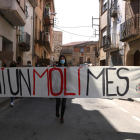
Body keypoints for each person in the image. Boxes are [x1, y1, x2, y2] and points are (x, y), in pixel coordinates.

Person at [55, 55, 68, 124]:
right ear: (59, 60)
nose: (62, 59)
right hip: (58, 87)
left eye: (63, 58)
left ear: (65, 60)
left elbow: (70, 77)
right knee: (58, 103)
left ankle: (62, 117)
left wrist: (70, 70)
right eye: (61, 58)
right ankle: (57, 110)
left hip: (65, 88)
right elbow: (53, 75)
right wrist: (53, 69)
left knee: (64, 104)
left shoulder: (67, 68)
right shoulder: (57, 67)